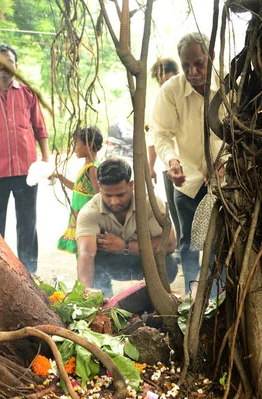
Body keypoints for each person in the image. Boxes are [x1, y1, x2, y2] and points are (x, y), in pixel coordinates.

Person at [150, 32, 224, 294]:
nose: (193, 71)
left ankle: (217, 295)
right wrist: (172, 160)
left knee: (220, 242)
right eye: (186, 65)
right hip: (188, 180)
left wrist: (224, 162)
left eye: (199, 64)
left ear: (211, 57)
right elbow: (161, 133)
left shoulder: (227, 85)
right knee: (190, 242)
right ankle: (193, 293)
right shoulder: (170, 91)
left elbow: (241, 132)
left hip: (225, 182)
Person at [0, 44, 50, 274]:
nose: (4, 68)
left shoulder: (28, 93)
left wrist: (46, 160)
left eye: (9, 63)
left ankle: (29, 273)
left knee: (27, 223)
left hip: (28, 171)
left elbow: (40, 129)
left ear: (16, 66)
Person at [75, 158, 178, 297]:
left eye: (120, 194)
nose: (115, 201)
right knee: (94, 262)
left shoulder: (149, 203)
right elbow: (86, 255)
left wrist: (124, 246)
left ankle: (150, 297)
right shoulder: (89, 212)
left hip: (144, 263)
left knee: (168, 265)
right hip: (110, 265)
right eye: (108, 195)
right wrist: (86, 292)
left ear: (131, 185)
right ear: (99, 187)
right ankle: (103, 299)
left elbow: (170, 245)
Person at [146, 58, 181, 249]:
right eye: (161, 82)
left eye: (169, 79)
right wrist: (151, 167)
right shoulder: (158, 101)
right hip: (169, 165)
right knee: (176, 212)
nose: (166, 85)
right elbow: (154, 137)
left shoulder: (186, 94)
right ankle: (184, 250)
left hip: (193, 164)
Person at [52, 126, 102, 255]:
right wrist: (60, 177)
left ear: (89, 145)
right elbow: (78, 188)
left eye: (76, 144)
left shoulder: (92, 168)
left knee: (85, 250)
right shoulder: (87, 166)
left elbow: (99, 195)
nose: (74, 148)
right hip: (79, 216)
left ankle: (85, 275)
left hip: (86, 217)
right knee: (81, 249)